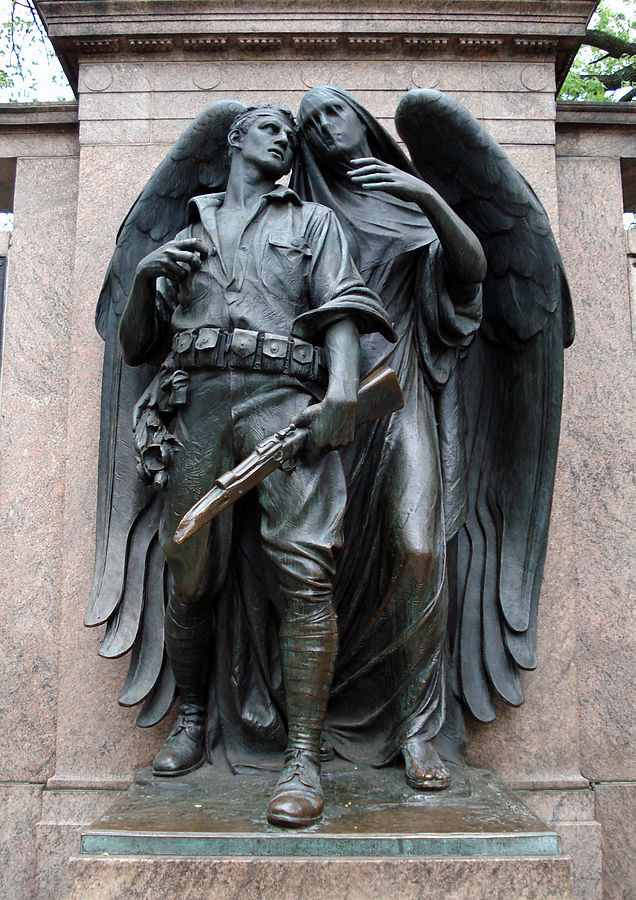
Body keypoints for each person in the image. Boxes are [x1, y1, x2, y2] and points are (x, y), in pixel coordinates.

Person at [118, 104, 395, 827]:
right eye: (272, 127)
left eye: (290, 134)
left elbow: (343, 309)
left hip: (284, 404)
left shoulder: (312, 223)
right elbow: (134, 345)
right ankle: (193, 719)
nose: (286, 139)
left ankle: (304, 759)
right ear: (237, 139)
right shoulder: (189, 228)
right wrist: (147, 275)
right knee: (192, 574)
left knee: (306, 574)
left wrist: (340, 393)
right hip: (199, 406)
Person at [291, 86, 487, 789]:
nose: (322, 127)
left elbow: (471, 274)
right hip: (327, 403)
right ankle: (308, 736)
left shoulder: (407, 200)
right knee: (318, 571)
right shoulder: (304, 216)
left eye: (332, 112)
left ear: (360, 117)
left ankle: (415, 729)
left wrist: (427, 196)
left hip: (400, 395)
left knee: (418, 548)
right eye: (309, 123)